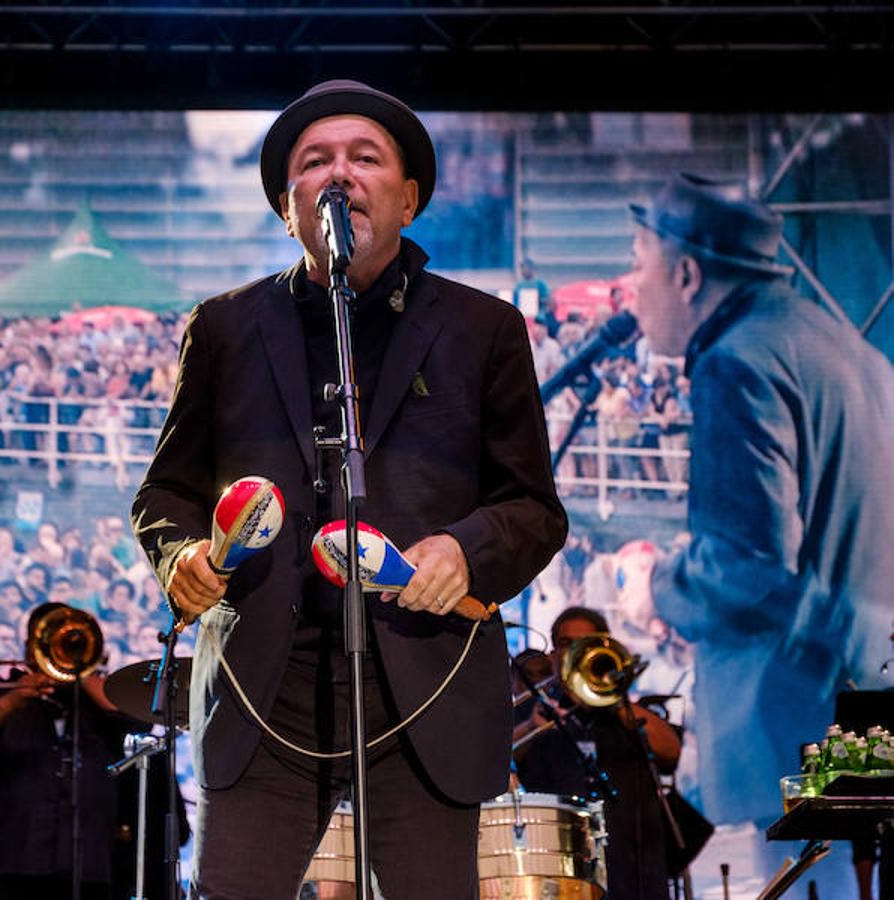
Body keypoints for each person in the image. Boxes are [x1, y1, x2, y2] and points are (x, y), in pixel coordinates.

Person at [131, 79, 567, 898]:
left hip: (425, 684)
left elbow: (534, 508)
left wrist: (464, 553)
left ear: (408, 198)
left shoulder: (483, 330)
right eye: (314, 162)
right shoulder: (223, 327)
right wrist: (183, 552)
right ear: (285, 205)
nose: (339, 175)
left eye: (365, 159)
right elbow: (165, 493)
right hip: (267, 693)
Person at [626, 173, 894, 828]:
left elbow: (746, 567)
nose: (629, 287)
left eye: (638, 264)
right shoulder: (852, 353)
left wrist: (654, 587)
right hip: (864, 705)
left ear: (687, 275)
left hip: (785, 727)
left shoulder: (736, 361)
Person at [0, 603, 137, 900]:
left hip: (88, 865)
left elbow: (132, 713)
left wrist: (77, 669)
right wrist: (17, 696)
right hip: (9, 862)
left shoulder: (94, 699)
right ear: (29, 647)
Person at [513, 606, 682, 900]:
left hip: (633, 866)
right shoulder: (534, 709)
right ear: (554, 654)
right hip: (559, 868)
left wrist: (612, 698)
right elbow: (495, 762)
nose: (577, 650)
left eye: (586, 641)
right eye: (567, 644)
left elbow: (671, 751)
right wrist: (531, 726)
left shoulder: (627, 712)